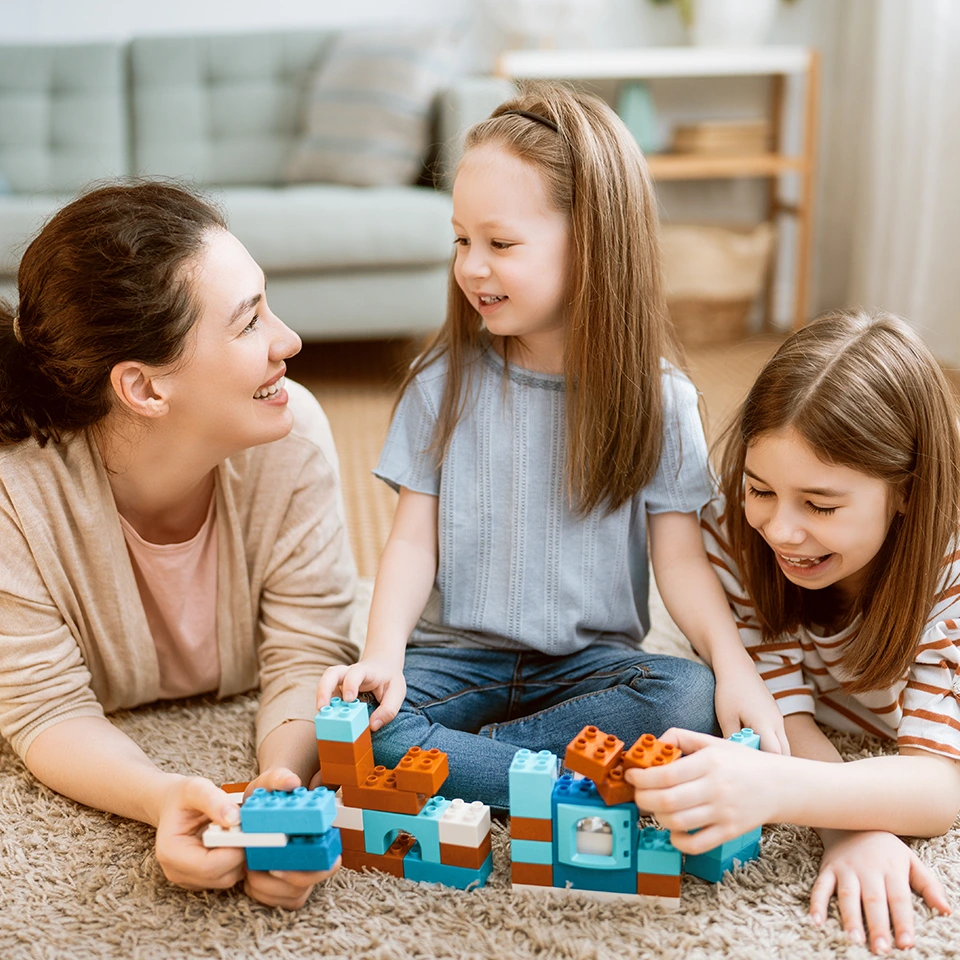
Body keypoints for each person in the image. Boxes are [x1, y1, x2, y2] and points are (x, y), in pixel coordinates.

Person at [318, 83, 786, 810]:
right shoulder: (439, 385)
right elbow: (410, 544)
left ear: (595, 244)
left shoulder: (662, 402)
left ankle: (481, 772)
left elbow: (681, 560)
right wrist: (381, 654)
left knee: (689, 694)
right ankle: (570, 782)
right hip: (457, 659)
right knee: (365, 724)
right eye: (461, 240)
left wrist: (736, 667)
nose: (472, 265)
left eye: (500, 244)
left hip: (589, 670)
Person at [0, 181, 359, 909]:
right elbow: (43, 710)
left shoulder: (291, 435)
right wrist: (163, 797)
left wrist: (279, 786)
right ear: (144, 388)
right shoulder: (16, 495)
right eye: (250, 322)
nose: (288, 342)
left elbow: (309, 648)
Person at [627, 309, 960, 955]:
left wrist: (778, 789)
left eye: (821, 505)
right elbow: (780, 710)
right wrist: (849, 828)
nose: (780, 529)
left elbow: (939, 784)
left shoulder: (948, 570)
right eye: (761, 490)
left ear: (907, 493)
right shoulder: (734, 533)